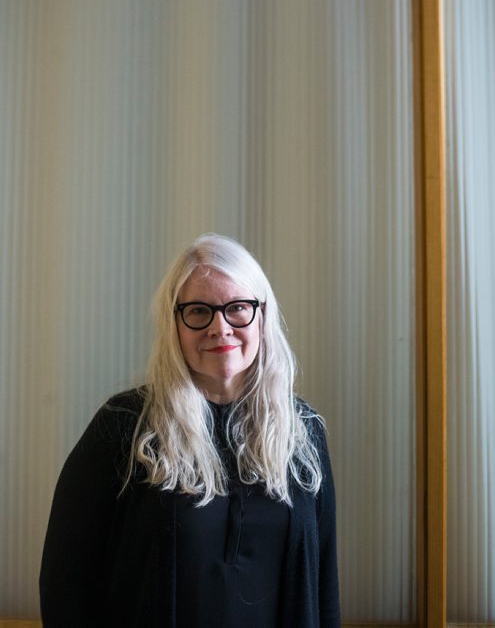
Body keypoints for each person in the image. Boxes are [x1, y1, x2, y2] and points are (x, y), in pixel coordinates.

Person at [40, 233, 340, 627]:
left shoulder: (303, 432)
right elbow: (66, 581)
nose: (220, 327)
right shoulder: (123, 425)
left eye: (238, 308)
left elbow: (323, 582)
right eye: (198, 311)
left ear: (262, 316)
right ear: (174, 323)